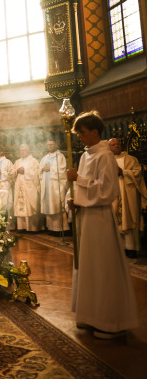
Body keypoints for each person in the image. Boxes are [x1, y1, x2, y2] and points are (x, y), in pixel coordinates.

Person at [67, 111, 139, 338]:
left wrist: (78, 180)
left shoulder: (105, 156)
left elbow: (108, 191)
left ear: (95, 132)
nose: (79, 136)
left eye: (82, 132)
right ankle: (90, 316)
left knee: (102, 266)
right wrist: (75, 200)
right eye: (78, 132)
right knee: (88, 266)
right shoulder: (86, 155)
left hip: (99, 219)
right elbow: (86, 188)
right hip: (86, 217)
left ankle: (110, 321)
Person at [109, 137, 147, 257]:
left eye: (118, 144)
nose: (116, 146)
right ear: (109, 148)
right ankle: (119, 248)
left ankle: (131, 249)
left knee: (129, 218)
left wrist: (123, 172)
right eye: (113, 145)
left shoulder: (131, 159)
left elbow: (138, 173)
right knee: (115, 220)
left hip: (129, 194)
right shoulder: (107, 161)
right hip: (113, 195)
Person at [9, 144, 43, 231]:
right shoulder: (17, 161)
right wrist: (16, 171)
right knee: (20, 206)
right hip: (19, 187)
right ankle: (22, 227)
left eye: (24, 150)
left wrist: (25, 171)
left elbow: (37, 173)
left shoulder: (33, 161)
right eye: (21, 150)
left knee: (30, 207)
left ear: (28, 151)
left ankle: (32, 228)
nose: (22, 152)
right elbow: (11, 172)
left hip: (29, 187)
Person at [39, 139, 69, 234]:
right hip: (46, 185)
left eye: (52, 145)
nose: (50, 146)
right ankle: (50, 228)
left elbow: (62, 170)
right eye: (48, 145)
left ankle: (60, 229)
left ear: (56, 145)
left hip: (56, 185)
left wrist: (50, 169)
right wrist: (43, 169)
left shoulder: (60, 157)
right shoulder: (44, 158)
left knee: (56, 206)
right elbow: (39, 170)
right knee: (49, 206)